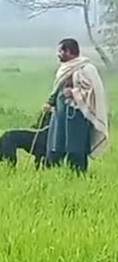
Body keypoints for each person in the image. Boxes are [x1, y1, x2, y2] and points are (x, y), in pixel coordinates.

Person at [41, 37, 109, 173]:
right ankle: (54, 174)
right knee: (56, 145)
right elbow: (57, 88)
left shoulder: (86, 69)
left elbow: (93, 92)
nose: (58, 54)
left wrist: (73, 92)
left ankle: (77, 175)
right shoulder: (63, 68)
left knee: (76, 148)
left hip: (77, 115)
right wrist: (50, 102)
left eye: (60, 51)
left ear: (68, 51)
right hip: (60, 114)